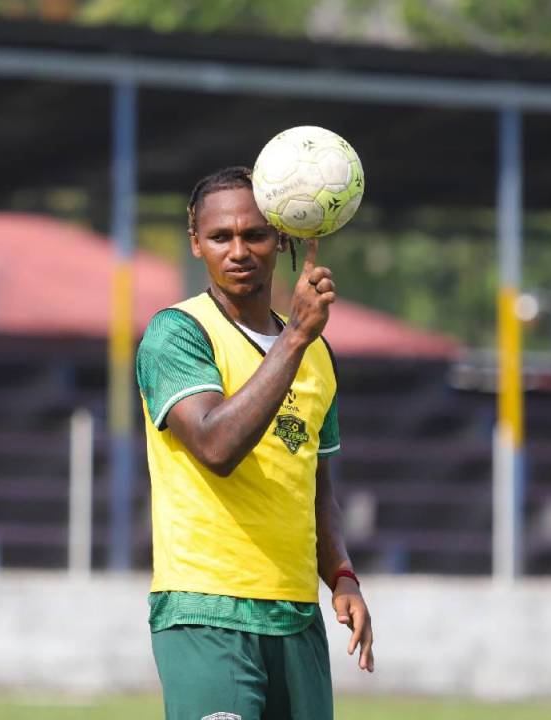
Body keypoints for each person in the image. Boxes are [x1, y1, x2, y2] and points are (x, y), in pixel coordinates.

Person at [136, 166, 374, 720]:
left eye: (255, 234)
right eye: (221, 236)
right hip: (207, 611)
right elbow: (216, 448)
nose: (238, 250)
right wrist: (294, 337)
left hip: (296, 615)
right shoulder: (177, 333)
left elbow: (317, 490)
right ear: (196, 242)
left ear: (282, 239)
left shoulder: (318, 355)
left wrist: (341, 575)